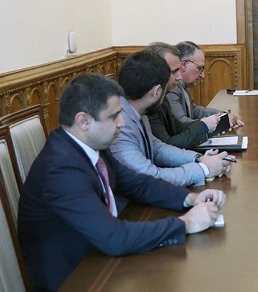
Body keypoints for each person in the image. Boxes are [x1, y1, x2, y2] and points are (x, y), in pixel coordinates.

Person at [18, 73, 227, 291]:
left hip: (100, 260)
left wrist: (189, 198)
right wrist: (186, 224)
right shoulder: (61, 170)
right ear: (83, 121)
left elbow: (137, 183)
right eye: (114, 116)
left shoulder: (88, 146)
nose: (123, 122)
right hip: (77, 278)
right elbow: (114, 237)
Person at [110, 50, 232, 187]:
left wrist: (199, 159)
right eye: (174, 72)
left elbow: (157, 149)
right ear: (157, 92)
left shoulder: (136, 110)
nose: (178, 77)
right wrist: (203, 169)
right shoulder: (120, 123)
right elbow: (149, 177)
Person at [146, 43, 215, 149]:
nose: (179, 77)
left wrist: (214, 120)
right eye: (174, 71)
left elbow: (179, 126)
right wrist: (204, 125)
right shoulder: (149, 104)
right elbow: (167, 146)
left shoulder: (163, 98)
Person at [167, 41, 244, 128]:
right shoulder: (171, 89)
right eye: (199, 68)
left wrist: (222, 115)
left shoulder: (183, 86)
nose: (203, 75)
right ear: (184, 64)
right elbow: (182, 124)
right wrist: (220, 121)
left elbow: (194, 110)